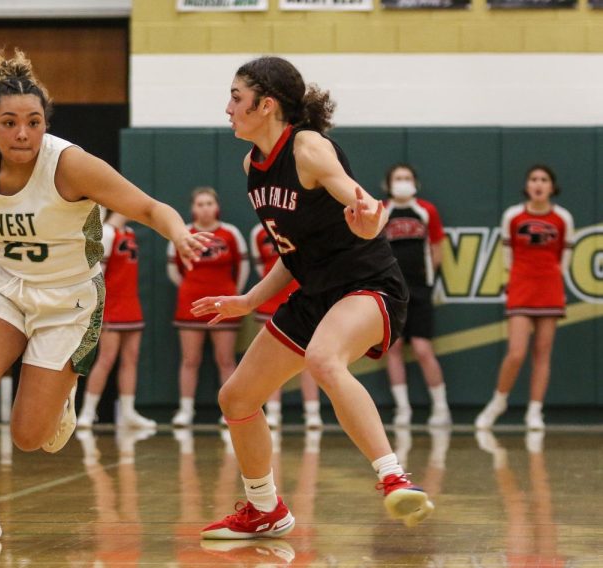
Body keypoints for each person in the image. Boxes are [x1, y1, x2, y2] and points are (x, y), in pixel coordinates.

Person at [0, 48, 210, 542]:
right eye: (10, 122)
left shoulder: (71, 165)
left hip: (68, 298)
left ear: (44, 124)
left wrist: (179, 233)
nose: (22, 133)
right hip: (4, 286)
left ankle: (61, 397)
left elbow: (146, 206)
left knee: (28, 436)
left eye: (33, 122)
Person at [192, 56, 434, 539]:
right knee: (236, 397)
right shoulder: (252, 165)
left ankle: (393, 477)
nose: (228, 108)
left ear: (266, 104)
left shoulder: (306, 146)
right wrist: (249, 299)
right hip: (316, 292)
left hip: (367, 285)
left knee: (325, 360)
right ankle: (265, 509)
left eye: (236, 98)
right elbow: (293, 253)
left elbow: (361, 201)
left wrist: (369, 217)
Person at [475, 165, 574, 431]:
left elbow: (565, 256)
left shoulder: (563, 217)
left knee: (542, 352)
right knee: (516, 352)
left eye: (544, 179)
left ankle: (534, 411)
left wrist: (555, 279)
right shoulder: (513, 216)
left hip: (550, 288)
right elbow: (507, 255)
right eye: (533, 179)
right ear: (527, 185)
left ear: (552, 187)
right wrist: (514, 279)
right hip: (520, 286)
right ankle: (498, 402)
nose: (538, 184)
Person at [168, 187, 249, 427]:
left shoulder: (230, 233)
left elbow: (242, 268)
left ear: (217, 207)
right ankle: (185, 410)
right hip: (190, 304)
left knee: (225, 359)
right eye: (200, 204)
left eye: (209, 203)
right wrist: (191, 287)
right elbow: (174, 270)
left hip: (223, 303)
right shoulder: (184, 233)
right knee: (189, 359)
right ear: (193, 208)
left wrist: (232, 294)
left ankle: (231, 411)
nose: (205, 208)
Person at [382, 163, 450, 427]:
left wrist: (428, 278)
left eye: (407, 177)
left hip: (420, 289)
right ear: (388, 184)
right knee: (394, 347)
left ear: (415, 182)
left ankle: (441, 408)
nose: (403, 182)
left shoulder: (426, 210)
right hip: (390, 291)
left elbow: (436, 248)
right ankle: (403, 409)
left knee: (423, 348)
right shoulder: (382, 210)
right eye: (397, 177)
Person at [77, 211, 156, 429]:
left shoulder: (129, 232)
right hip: (112, 305)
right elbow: (96, 276)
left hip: (132, 303)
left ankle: (129, 412)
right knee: (106, 358)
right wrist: (99, 309)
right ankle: (88, 412)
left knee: (131, 358)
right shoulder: (107, 233)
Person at [250, 222, 322, 428]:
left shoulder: (303, 226)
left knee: (309, 358)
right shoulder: (258, 232)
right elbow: (259, 267)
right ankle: (272, 411)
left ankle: (312, 412)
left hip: (303, 299)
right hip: (269, 302)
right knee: (269, 360)